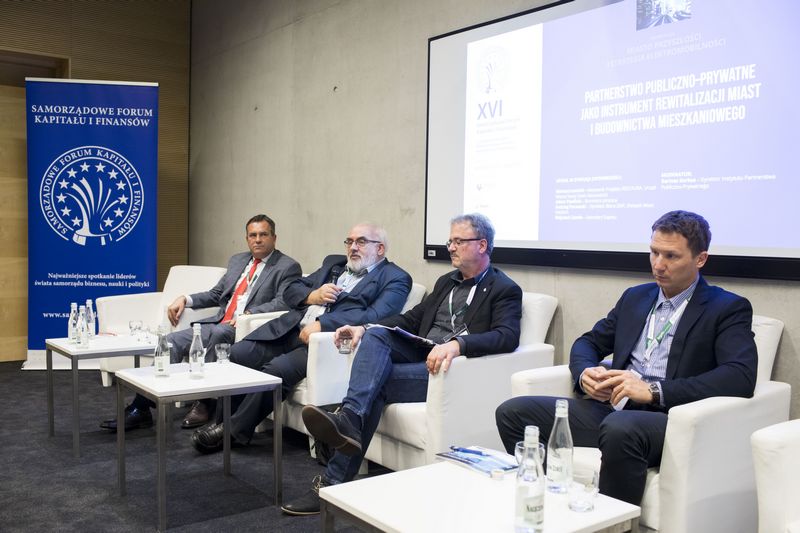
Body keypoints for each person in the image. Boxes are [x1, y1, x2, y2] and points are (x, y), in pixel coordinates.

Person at [495, 210, 757, 505]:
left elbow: (740, 376)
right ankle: (550, 506)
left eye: (671, 256)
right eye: (654, 252)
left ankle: (613, 523)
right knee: (513, 413)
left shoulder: (726, 308)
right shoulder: (636, 297)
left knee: (620, 428)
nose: (658, 264)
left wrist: (654, 391)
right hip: (615, 408)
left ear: (700, 259)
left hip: (669, 418)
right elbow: (588, 342)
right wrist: (586, 374)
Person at [282, 213, 523, 516]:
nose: (450, 247)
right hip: (420, 354)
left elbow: (507, 336)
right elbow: (411, 319)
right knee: (376, 336)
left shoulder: (504, 289)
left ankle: (332, 477)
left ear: (482, 245)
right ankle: (349, 419)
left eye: (458, 241)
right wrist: (364, 328)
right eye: (450, 241)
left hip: (448, 372)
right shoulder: (446, 282)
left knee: (374, 387)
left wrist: (459, 345)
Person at [190, 222, 412, 454]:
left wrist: (324, 324)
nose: (353, 247)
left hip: (327, 344)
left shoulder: (395, 278)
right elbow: (291, 289)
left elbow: (376, 315)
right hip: (289, 329)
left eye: (361, 242)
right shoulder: (334, 264)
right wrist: (312, 295)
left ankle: (230, 433)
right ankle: (220, 422)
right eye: (350, 241)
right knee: (237, 354)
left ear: (380, 249)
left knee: (275, 371)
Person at [100, 214, 302, 431]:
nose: (258, 240)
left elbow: (284, 301)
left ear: (274, 238)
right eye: (253, 235)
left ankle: (205, 402)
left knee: (220, 334)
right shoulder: (238, 261)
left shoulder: (287, 266)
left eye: (263, 235)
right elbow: (216, 294)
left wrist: (249, 313)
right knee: (170, 342)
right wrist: (185, 299)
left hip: (248, 329)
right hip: (219, 322)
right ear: (247, 238)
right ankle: (140, 408)